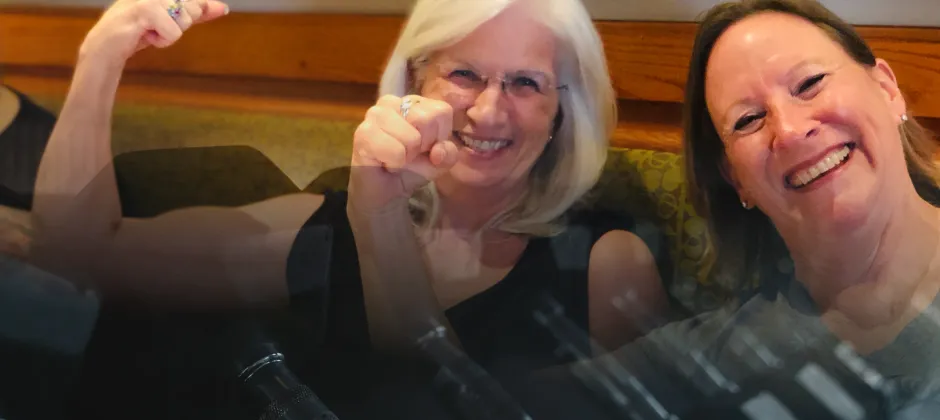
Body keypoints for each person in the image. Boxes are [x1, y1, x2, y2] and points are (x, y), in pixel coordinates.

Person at [29, 0, 669, 407]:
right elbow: (81, 253)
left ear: (562, 113)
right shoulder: (328, 228)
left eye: (526, 83)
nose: (488, 109)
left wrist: (378, 214)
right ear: (415, 80)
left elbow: (440, 398)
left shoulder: (606, 265)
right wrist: (101, 56)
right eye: (464, 73)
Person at [503, 1, 940, 418]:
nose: (789, 131)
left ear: (887, 90)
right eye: (748, 120)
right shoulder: (714, 359)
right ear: (737, 179)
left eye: (809, 84)